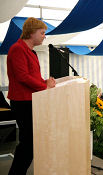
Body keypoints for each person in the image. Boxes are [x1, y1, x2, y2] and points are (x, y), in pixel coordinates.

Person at [7, 17, 56, 175]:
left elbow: (31, 77)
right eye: (42, 33)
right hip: (22, 102)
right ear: (31, 33)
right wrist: (45, 86)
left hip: (30, 101)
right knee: (28, 143)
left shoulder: (30, 52)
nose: (44, 36)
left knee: (30, 143)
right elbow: (22, 77)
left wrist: (45, 81)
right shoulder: (17, 49)